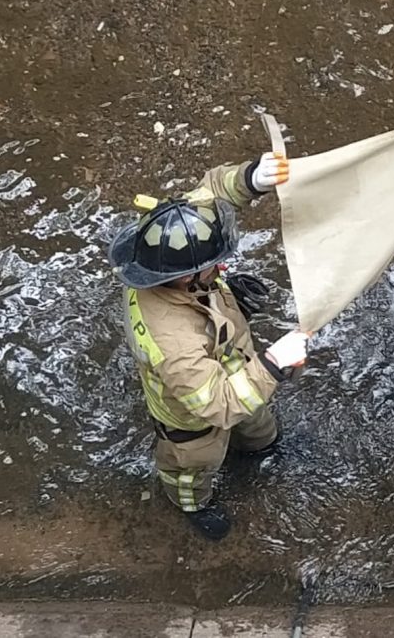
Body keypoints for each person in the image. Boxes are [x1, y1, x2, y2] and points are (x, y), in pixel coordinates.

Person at [107, 152, 309, 541]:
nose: (221, 269)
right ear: (184, 277)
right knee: (190, 470)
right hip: (194, 424)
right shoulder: (172, 339)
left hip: (233, 366)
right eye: (213, 265)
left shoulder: (159, 244)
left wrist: (251, 179)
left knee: (260, 428)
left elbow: (208, 193)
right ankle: (192, 504)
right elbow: (217, 404)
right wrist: (271, 366)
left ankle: (259, 449)